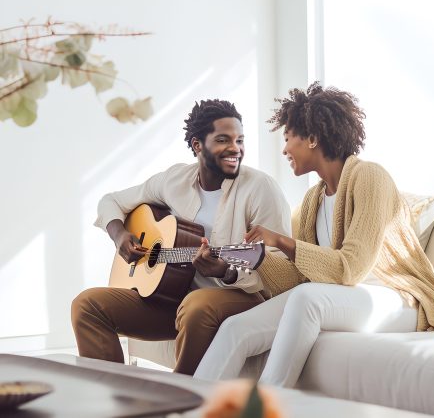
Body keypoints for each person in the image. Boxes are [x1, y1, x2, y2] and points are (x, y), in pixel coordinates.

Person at [194, 83, 434, 387]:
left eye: (288, 138)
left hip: (398, 298)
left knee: (308, 298)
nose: (284, 149)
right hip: (341, 297)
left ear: (313, 138)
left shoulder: (370, 177)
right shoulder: (312, 200)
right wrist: (253, 256)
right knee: (234, 328)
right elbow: (299, 278)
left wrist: (281, 240)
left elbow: (351, 268)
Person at [71, 99, 291, 374]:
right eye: (223, 140)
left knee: (197, 305)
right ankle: (114, 397)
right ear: (198, 145)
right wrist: (119, 236)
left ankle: (181, 396)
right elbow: (110, 201)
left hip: (239, 295)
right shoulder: (174, 180)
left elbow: (279, 264)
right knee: (87, 305)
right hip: (173, 298)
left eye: (240, 140)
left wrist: (227, 271)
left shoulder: (260, 188)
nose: (235, 148)